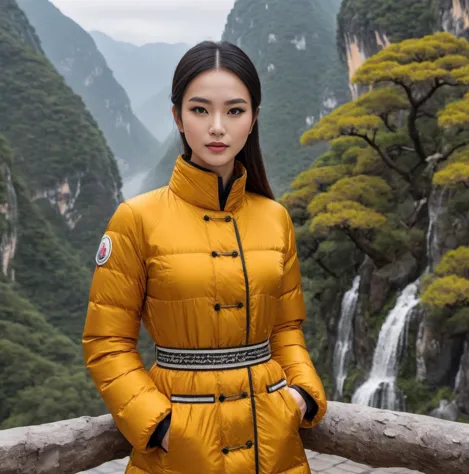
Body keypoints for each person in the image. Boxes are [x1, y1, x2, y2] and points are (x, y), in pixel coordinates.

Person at [82, 40, 327, 474]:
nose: (217, 127)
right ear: (177, 116)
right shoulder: (135, 219)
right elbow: (107, 342)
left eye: (234, 111)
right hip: (181, 450)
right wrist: (160, 427)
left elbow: (287, 327)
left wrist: (302, 394)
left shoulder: (275, 219)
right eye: (200, 110)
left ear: (253, 120)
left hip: (274, 441)